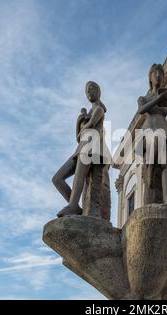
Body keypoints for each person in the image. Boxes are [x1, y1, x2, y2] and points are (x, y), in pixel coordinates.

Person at [52, 81, 109, 217]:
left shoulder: (99, 110)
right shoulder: (89, 112)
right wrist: (79, 121)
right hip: (81, 145)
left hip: (91, 146)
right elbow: (78, 136)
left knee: (80, 176)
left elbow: (90, 125)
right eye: (86, 90)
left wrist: (83, 122)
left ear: (98, 91)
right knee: (57, 179)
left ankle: (72, 205)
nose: (89, 92)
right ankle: (75, 207)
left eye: (91, 89)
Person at [136, 64, 167, 206]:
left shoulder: (165, 97)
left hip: (163, 129)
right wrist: (158, 99)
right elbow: (141, 110)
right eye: (156, 73)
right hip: (149, 129)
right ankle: (150, 168)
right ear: (150, 77)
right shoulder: (143, 97)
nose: (159, 76)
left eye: (161, 74)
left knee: (166, 162)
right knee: (154, 144)